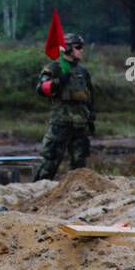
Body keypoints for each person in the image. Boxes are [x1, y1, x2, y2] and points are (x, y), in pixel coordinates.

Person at [35, 34, 95, 180]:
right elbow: (41, 89)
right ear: (67, 49)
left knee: (80, 167)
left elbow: (90, 97)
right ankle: (38, 191)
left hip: (80, 124)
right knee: (49, 162)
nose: (81, 50)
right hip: (61, 123)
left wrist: (91, 118)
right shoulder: (54, 68)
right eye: (78, 47)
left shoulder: (83, 72)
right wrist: (57, 82)